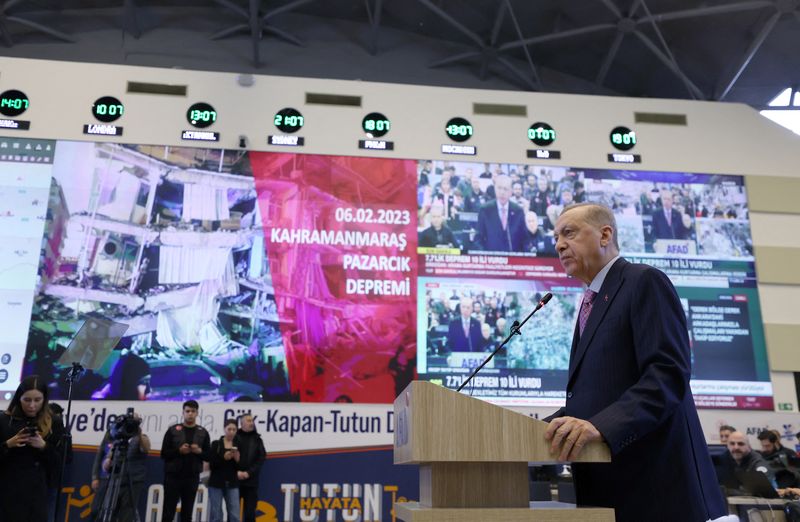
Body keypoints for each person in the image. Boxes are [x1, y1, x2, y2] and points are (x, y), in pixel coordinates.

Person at [543, 203, 725, 522]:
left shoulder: (643, 281)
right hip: (610, 489)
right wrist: (536, 430)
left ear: (605, 234)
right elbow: (596, 397)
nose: (558, 244)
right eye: (556, 236)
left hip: (656, 490)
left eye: (568, 233)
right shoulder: (592, 301)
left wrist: (601, 425)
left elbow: (666, 375)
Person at [0, 375, 64, 522]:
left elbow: (60, 461)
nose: (32, 405)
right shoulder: (4, 420)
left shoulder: (54, 422)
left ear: (44, 399)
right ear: (18, 398)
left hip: (36, 494)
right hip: (6, 491)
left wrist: (44, 446)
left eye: (37, 400)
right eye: (27, 400)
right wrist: (8, 444)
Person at [90, 413, 150, 522]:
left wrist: (138, 432)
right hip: (115, 479)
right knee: (105, 510)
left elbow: (145, 448)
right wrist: (105, 463)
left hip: (132, 481)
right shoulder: (118, 437)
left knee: (127, 514)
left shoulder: (141, 438)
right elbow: (105, 457)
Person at [160, 400, 210, 522]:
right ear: (183, 412)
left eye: (193, 411)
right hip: (173, 477)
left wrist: (199, 452)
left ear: (197, 413)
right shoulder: (172, 430)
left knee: (187, 514)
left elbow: (208, 456)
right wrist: (179, 451)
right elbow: (164, 454)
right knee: (168, 512)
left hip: (191, 477)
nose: (190, 414)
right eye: (187, 411)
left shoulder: (203, 432)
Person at [475, 174, 526, 252]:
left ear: (511, 192)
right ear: (495, 189)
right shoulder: (485, 210)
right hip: (492, 260)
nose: (502, 192)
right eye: (499, 188)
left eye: (505, 189)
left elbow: (524, 239)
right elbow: (478, 239)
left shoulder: (518, 211)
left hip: (513, 260)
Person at [208, 419, 241, 522]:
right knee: (216, 515)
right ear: (224, 429)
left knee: (235, 515)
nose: (231, 432)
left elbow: (242, 466)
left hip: (232, 483)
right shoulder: (216, 444)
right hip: (216, 483)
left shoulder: (239, 445)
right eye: (229, 429)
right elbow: (211, 464)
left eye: (234, 429)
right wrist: (223, 458)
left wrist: (237, 459)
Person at [237, 414, 266, 522]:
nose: (251, 423)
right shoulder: (235, 437)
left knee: (250, 514)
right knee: (232, 513)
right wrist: (237, 472)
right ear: (242, 423)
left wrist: (249, 473)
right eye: (248, 421)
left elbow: (261, 458)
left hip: (251, 483)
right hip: (235, 482)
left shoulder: (258, 439)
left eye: (252, 421)